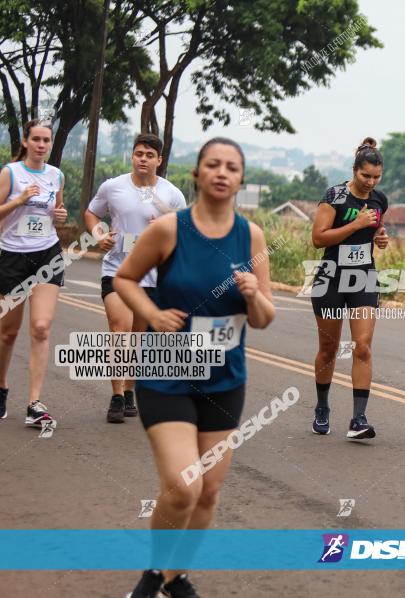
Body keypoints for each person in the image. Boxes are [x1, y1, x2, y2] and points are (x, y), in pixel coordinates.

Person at [116, 138, 275, 597]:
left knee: (207, 491)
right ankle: (153, 574)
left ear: (241, 179)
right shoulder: (168, 229)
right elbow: (125, 278)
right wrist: (152, 313)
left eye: (231, 167)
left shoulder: (252, 237)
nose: (222, 173)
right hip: (166, 372)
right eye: (213, 165)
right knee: (184, 486)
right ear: (198, 174)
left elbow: (264, 320)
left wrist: (253, 295)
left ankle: (175, 576)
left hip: (224, 379)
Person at [84, 133, 186, 423]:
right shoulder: (113, 187)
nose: (143, 158)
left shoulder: (171, 194)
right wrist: (98, 234)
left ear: (159, 160)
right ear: (132, 156)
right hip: (116, 271)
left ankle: (130, 390)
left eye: (149, 155)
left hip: (151, 277)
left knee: (138, 339)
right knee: (120, 330)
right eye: (139, 153)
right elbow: (91, 213)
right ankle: (117, 396)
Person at [308, 137, 389, 439]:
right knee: (329, 349)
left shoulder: (380, 200)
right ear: (354, 170)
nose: (370, 182)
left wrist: (380, 237)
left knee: (363, 347)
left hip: (363, 277)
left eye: (376, 177)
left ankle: (358, 419)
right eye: (365, 175)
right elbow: (319, 239)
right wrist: (355, 225)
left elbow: (376, 229)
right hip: (331, 278)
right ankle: (321, 407)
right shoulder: (335, 196)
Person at [0, 119, 68, 427]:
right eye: (37, 139)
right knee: (8, 333)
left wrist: (60, 215)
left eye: (46, 141)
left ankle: (34, 404)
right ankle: (1, 389)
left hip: (46, 255)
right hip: (12, 256)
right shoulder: (10, 173)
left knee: (41, 327)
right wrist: (19, 200)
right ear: (26, 142)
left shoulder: (57, 175)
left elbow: (57, 215)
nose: (42, 145)